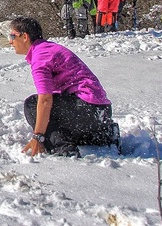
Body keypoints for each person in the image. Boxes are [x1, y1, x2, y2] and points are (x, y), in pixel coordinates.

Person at [7, 17, 118, 157]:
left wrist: (38, 136)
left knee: (32, 104)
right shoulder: (47, 48)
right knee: (55, 116)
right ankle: (103, 134)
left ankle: (61, 148)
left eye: (12, 36)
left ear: (24, 37)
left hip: (86, 108)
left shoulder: (40, 57)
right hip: (101, 110)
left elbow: (45, 99)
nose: (10, 41)